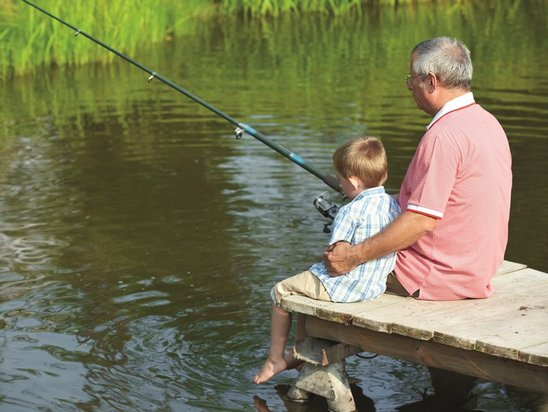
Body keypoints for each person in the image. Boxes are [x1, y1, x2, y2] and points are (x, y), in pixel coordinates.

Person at [323, 37, 512, 404]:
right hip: (477, 266)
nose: (409, 86)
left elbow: (421, 221)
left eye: (411, 78)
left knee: (329, 265)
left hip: (437, 275)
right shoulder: (487, 123)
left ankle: (309, 365)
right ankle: (452, 391)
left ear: (432, 81)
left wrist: (355, 254)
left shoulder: (444, 136)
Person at [253, 136, 401, 384]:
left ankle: (275, 359)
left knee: (280, 293)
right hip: (372, 287)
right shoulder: (393, 205)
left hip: (344, 287)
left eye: (341, 180)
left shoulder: (349, 211)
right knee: (301, 293)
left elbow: (335, 260)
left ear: (353, 181)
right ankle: (300, 354)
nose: (340, 185)